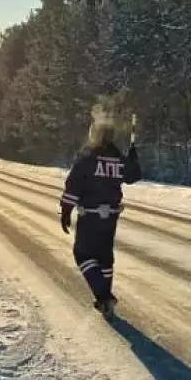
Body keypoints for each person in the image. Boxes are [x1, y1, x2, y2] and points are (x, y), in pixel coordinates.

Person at [59, 121, 141, 316]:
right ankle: (106, 301)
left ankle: (104, 297)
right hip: (110, 217)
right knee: (104, 258)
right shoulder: (117, 157)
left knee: (83, 254)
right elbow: (133, 175)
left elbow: (73, 184)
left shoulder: (89, 156)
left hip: (90, 216)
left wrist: (66, 210)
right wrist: (133, 158)